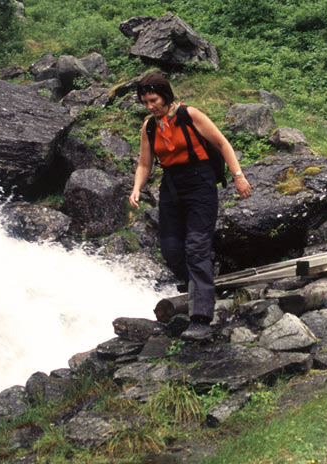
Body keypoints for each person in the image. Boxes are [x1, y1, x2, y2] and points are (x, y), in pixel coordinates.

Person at [129, 71, 251, 340]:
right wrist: (137, 188)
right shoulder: (149, 126)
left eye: (153, 100)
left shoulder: (190, 115)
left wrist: (238, 176)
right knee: (172, 250)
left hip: (200, 183)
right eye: (145, 102)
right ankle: (198, 281)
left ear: (166, 96)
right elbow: (145, 163)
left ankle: (201, 319)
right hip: (172, 186)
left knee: (196, 248)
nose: (150, 106)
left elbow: (222, 143)